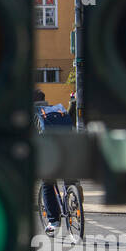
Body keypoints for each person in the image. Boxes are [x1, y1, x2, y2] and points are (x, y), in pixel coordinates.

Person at [34, 88, 75, 235]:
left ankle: (53, 221)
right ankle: (73, 194)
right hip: (70, 149)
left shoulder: (34, 113)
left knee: (47, 183)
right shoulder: (57, 109)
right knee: (69, 176)